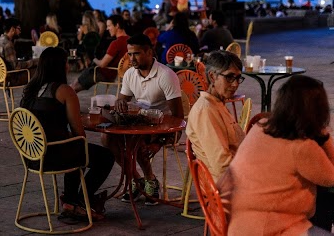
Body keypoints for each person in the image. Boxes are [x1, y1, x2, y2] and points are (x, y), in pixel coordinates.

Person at [219, 75, 334, 235]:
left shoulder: (261, 127)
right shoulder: (301, 146)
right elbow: (330, 178)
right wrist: (323, 134)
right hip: (269, 228)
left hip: (234, 221)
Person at [20, 47, 114, 221]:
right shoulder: (64, 91)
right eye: (66, 63)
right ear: (61, 66)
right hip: (53, 155)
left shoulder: (30, 89)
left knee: (73, 146)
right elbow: (79, 132)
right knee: (102, 154)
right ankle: (79, 200)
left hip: (32, 156)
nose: (68, 67)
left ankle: (70, 202)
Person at [105, 33, 183, 204]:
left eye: (136, 54)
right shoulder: (130, 74)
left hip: (163, 127)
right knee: (107, 139)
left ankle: (150, 181)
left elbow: (178, 117)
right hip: (140, 123)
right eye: (129, 54)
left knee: (136, 141)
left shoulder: (166, 75)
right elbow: (122, 100)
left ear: (149, 52)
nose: (131, 58)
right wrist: (119, 104)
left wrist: (161, 140)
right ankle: (137, 180)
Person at [185, 50, 245, 182]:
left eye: (238, 78)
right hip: (226, 187)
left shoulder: (217, 104)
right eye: (229, 77)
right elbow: (222, 165)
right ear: (212, 77)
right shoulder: (206, 110)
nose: (235, 84)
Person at [71, 15, 129, 93]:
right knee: (76, 83)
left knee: (74, 87)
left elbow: (102, 64)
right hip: (115, 73)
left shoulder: (116, 43)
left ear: (117, 25)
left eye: (109, 26)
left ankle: (65, 100)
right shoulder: (130, 40)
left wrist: (93, 58)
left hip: (105, 73)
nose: (107, 28)